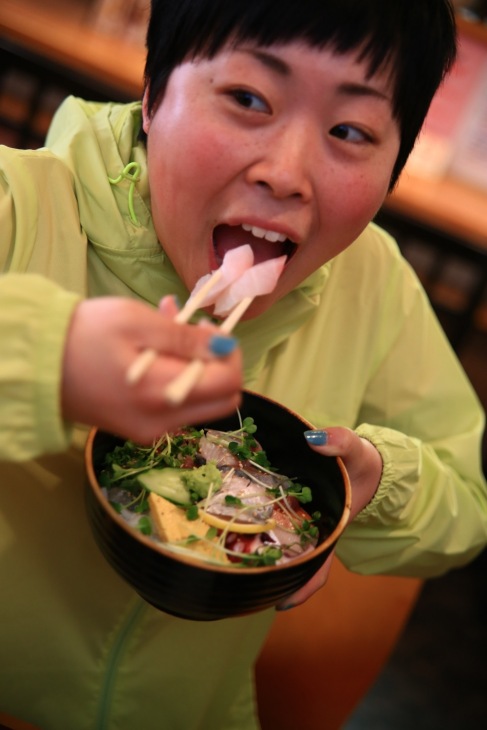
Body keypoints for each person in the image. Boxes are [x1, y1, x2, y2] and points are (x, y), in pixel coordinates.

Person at [0, 0, 486, 728]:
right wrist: (53, 357)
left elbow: (468, 496)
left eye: (349, 131)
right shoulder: (25, 202)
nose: (287, 174)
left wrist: (376, 480)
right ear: (155, 93)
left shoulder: (370, 284)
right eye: (247, 98)